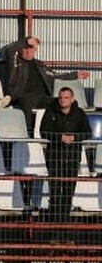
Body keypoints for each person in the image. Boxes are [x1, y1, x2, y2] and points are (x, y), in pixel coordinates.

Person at [3, 35, 89, 131]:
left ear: (36, 50)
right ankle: (27, 134)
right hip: (21, 97)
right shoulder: (15, 62)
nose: (28, 51)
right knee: (27, 101)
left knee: (70, 102)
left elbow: (56, 75)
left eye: (31, 48)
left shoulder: (40, 65)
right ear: (20, 49)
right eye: (25, 48)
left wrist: (74, 75)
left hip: (42, 98)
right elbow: (9, 50)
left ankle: (69, 131)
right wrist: (26, 42)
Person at [39, 86, 91, 222]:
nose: (63, 100)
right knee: (55, 197)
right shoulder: (50, 111)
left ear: (72, 99)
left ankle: (65, 231)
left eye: (66, 97)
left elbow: (87, 133)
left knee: (68, 196)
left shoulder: (79, 113)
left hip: (72, 161)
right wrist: (60, 137)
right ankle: (54, 233)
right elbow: (43, 131)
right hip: (55, 160)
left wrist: (74, 137)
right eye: (61, 97)